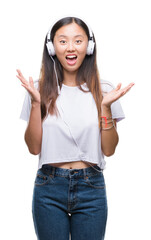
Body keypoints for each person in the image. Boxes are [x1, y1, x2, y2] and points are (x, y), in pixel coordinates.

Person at [17, 16, 134, 240]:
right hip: (49, 186)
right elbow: (33, 148)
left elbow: (108, 150)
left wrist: (106, 107)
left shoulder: (106, 89)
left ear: (89, 46)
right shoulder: (38, 89)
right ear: (52, 48)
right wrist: (35, 103)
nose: (71, 47)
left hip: (92, 186)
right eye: (62, 41)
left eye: (78, 41)